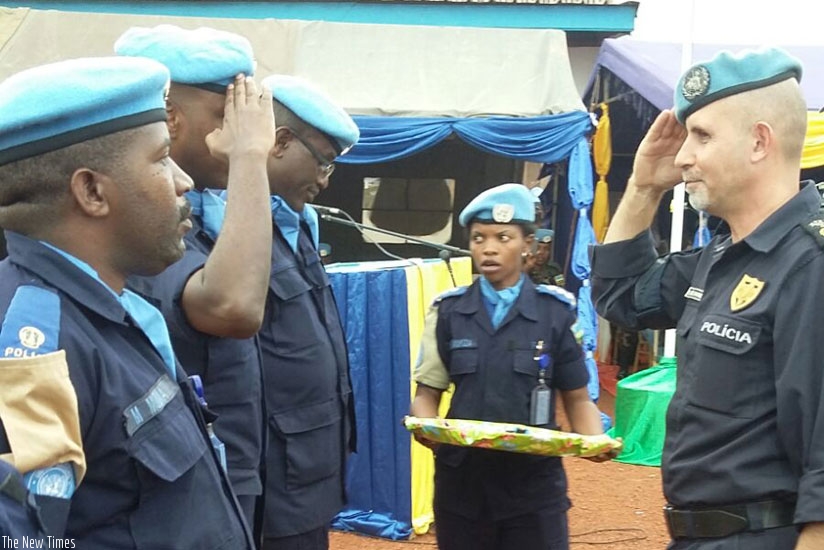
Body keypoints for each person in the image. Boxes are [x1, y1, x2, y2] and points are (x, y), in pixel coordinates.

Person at [0, 57, 255, 548]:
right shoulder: (36, 347)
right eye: (161, 159)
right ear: (92, 191)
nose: (184, 181)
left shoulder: (113, 310)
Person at [590, 47, 824, 549]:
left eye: (703, 135)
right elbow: (620, 296)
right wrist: (642, 187)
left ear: (760, 142)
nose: (682, 156)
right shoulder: (723, 255)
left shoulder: (811, 264)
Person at [115, 25, 276, 531]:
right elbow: (231, 306)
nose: (244, 132)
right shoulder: (136, 215)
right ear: (170, 118)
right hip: (171, 487)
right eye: (227, 117)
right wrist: (249, 156)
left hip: (229, 464)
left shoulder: (218, 204)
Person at [411, 183, 610, 550]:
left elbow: (577, 398)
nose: (488, 248)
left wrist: (594, 441)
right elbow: (427, 395)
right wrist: (432, 433)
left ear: (529, 246)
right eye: (478, 238)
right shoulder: (449, 312)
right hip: (463, 487)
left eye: (503, 237)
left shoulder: (555, 313)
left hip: (533, 489)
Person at [257, 74, 359, 550]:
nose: (324, 179)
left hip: (309, 470)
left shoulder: (295, 226)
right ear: (280, 141)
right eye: (322, 162)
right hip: (270, 478)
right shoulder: (234, 228)